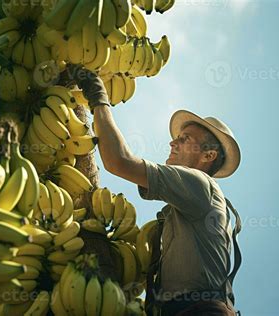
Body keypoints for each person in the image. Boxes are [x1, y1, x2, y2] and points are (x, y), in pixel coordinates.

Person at [68, 65, 242, 316]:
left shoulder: (200, 185)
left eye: (184, 139)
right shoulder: (185, 208)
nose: (173, 142)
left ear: (209, 155)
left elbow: (118, 161)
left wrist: (98, 98)